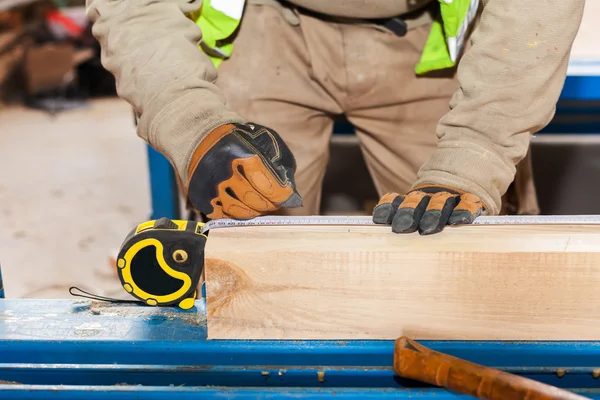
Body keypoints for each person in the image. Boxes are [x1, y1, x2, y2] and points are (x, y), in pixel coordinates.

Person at [85, 0, 584, 235]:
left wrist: (475, 155)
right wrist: (188, 119)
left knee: (464, 252)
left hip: (424, 35)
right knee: (252, 256)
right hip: (265, 28)